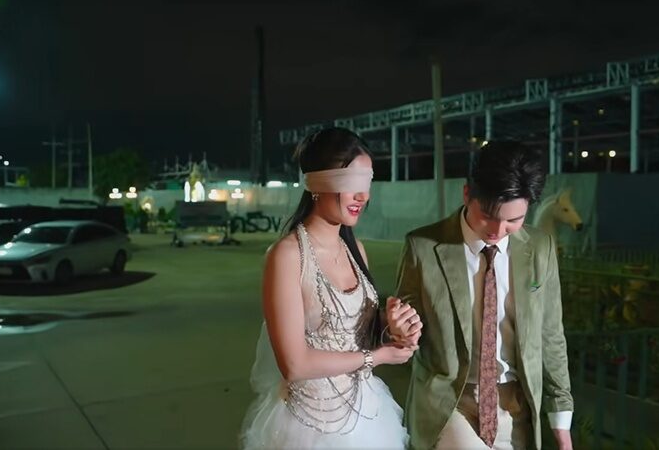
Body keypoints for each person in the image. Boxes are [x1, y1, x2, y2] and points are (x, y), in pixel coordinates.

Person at [388, 141, 574, 450]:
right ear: (467, 194)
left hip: (516, 405)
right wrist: (399, 330)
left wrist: (561, 418)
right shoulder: (423, 247)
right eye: (488, 215)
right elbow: (404, 330)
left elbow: (551, 334)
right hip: (450, 402)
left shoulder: (540, 248)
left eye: (513, 220)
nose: (498, 230)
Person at [239, 127, 415, 449]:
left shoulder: (356, 250)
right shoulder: (288, 256)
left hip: (367, 417)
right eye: (353, 184)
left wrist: (394, 329)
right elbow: (294, 364)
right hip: (309, 427)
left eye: (367, 184)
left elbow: (353, 334)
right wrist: (377, 357)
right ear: (319, 184)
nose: (364, 197)